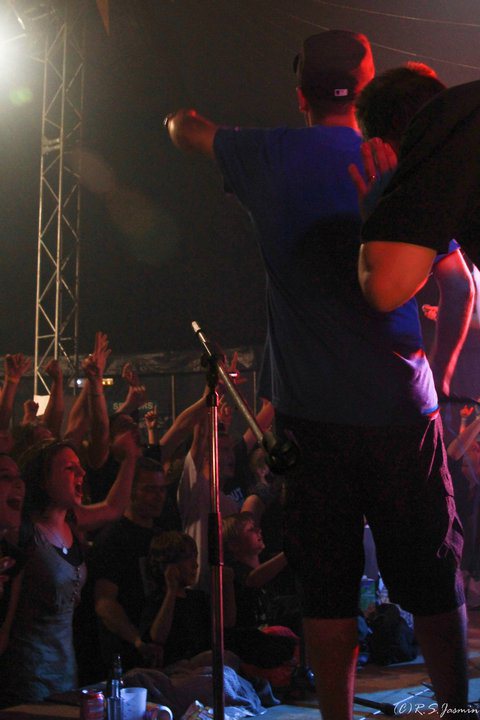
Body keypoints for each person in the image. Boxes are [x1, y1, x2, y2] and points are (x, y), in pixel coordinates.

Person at [166, 30, 467, 719]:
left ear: (300, 95)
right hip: (402, 412)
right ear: (366, 88)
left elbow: (182, 127)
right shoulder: (395, 158)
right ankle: (459, 711)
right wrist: (443, 374)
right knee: (431, 576)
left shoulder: (266, 153)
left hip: (310, 420)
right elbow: (459, 284)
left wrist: (193, 125)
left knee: (327, 590)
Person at [354, 63, 475, 398]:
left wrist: (382, 213)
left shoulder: (433, 170)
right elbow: (459, 284)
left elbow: (383, 289)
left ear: (386, 146)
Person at [0, 432, 139, 705]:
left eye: (80, 467)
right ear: (44, 479)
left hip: (67, 671)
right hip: (26, 678)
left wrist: (130, 459)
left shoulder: (72, 522)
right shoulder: (22, 532)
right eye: (69, 468)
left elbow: (114, 508)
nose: (82, 473)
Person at [90, 456, 172, 672]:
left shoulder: (162, 536)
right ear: (130, 490)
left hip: (161, 652)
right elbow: (104, 602)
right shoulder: (113, 538)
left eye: (162, 489)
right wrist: (137, 640)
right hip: (126, 656)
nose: (158, 497)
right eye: (150, 489)